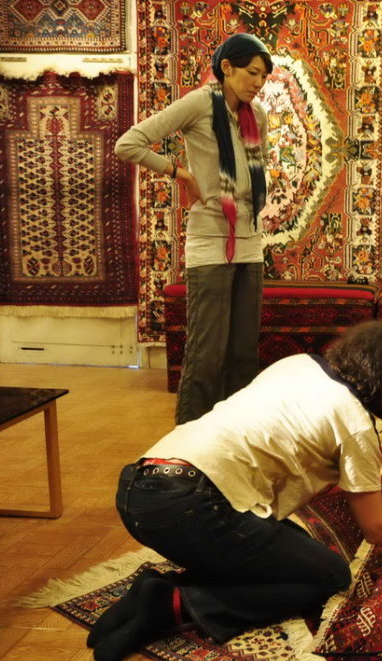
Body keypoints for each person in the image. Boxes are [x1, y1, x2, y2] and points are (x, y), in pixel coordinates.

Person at [87, 320, 382, 661]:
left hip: (137, 488)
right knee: (326, 576)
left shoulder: (297, 364)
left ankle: (154, 589)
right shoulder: (354, 424)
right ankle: (172, 605)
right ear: (381, 379)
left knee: (287, 551)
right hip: (189, 506)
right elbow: (378, 528)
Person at [115, 33, 273, 424]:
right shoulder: (200, 103)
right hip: (210, 239)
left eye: (263, 76)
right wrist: (180, 173)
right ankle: (191, 437)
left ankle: (235, 432)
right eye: (252, 72)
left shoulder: (257, 115)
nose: (258, 82)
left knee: (242, 352)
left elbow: (256, 171)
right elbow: (129, 144)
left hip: (249, 241)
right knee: (207, 352)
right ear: (227, 67)